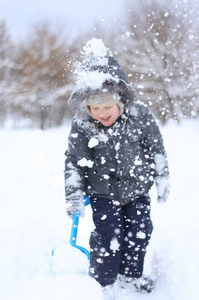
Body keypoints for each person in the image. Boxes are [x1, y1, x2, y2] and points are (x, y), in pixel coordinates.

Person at [64, 39, 170, 300]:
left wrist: (162, 175)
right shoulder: (84, 125)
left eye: (107, 106)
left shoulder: (140, 115)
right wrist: (74, 194)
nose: (102, 113)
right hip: (102, 193)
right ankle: (104, 280)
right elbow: (74, 161)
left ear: (121, 100)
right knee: (108, 236)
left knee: (140, 231)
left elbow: (155, 147)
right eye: (95, 108)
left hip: (137, 189)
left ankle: (131, 276)